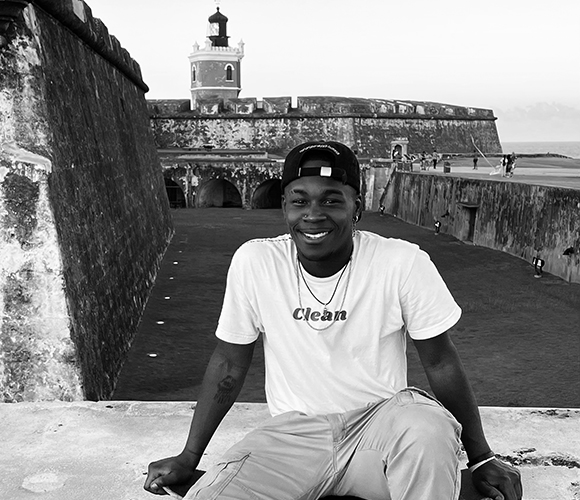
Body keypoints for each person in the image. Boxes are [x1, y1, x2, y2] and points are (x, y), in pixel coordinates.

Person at [144, 141, 522, 500]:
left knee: (426, 426)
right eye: (299, 201)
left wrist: (482, 457)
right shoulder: (255, 262)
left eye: (331, 200)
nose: (313, 214)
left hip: (381, 431)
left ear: (356, 207)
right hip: (293, 438)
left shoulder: (402, 262)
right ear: (284, 207)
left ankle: (445, 480)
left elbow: (440, 361)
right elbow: (229, 362)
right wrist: (189, 457)